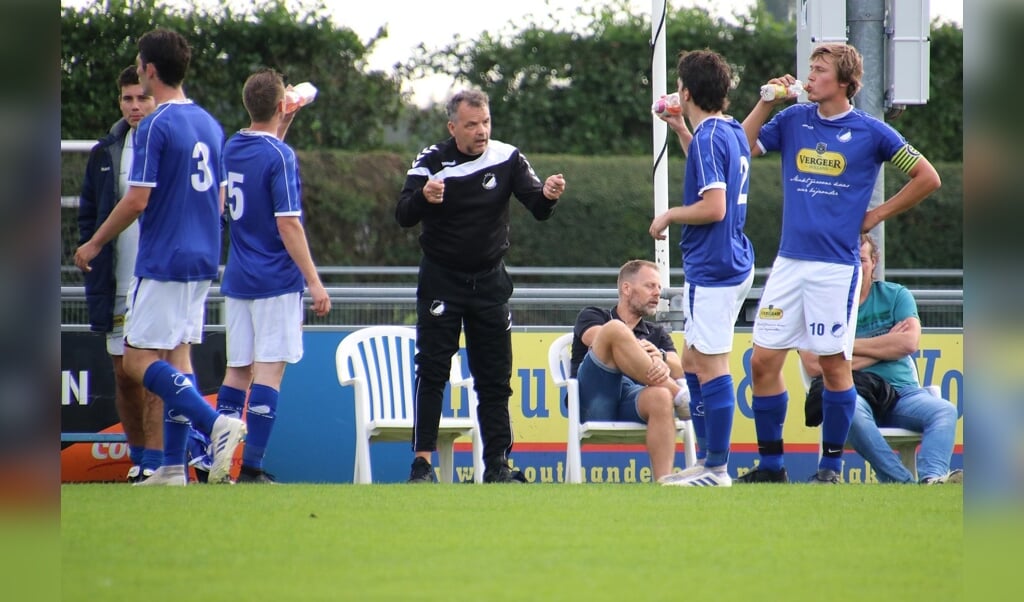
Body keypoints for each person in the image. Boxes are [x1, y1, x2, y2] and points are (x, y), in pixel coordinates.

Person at [738, 43, 941, 483]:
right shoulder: (793, 119)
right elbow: (743, 145)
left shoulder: (873, 132)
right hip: (790, 263)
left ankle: (829, 467)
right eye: (809, 70)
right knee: (762, 362)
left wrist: (876, 213)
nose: (809, 78)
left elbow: (928, 176)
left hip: (836, 268)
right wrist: (767, 100)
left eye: (819, 70)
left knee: (833, 364)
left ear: (844, 82)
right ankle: (772, 466)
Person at [73, 28, 246, 486]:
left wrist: (93, 243)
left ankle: (214, 428)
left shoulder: (156, 125)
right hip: (202, 259)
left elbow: (137, 200)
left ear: (150, 70)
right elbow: (221, 198)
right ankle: (172, 467)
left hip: (165, 259)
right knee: (178, 358)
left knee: (137, 361)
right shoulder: (209, 123)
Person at [396, 88, 566, 483]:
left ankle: (497, 466)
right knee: (433, 370)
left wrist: (548, 195)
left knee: (494, 378)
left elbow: (538, 208)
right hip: (442, 279)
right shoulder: (431, 161)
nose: (481, 131)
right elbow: (403, 214)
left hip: (490, 283)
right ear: (452, 127)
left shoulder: (507, 157)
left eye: (486, 122)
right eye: (472, 125)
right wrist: (423, 196)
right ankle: (422, 463)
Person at [215, 68, 331, 484]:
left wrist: (284, 118)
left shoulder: (232, 145)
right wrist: (314, 282)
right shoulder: (281, 156)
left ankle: (219, 463)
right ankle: (252, 468)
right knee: (268, 373)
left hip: (239, 278)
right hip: (275, 280)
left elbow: (262, 157)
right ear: (281, 104)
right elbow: (288, 224)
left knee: (237, 371)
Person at [648, 49, 755, 487]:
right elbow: (710, 168)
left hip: (713, 267)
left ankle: (716, 468)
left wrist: (670, 215)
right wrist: (679, 129)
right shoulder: (723, 129)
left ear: (686, 91)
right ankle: (708, 462)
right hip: (732, 259)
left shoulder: (712, 136)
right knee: (692, 359)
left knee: (711, 367)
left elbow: (714, 206)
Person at [799, 234, 961, 484]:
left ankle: (932, 479)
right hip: (853, 391)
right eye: (848, 260)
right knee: (846, 409)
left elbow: (908, 343)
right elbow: (813, 364)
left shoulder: (896, 295)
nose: (855, 266)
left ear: (874, 262)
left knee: (944, 411)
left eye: (861, 259)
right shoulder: (823, 304)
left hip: (903, 395)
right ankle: (901, 481)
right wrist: (885, 346)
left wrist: (841, 351)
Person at [76, 65, 161, 483]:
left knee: (153, 374)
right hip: (117, 283)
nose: (134, 106)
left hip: (159, 281)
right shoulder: (106, 152)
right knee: (123, 375)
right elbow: (88, 213)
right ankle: (141, 457)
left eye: (141, 97)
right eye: (127, 98)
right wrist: (93, 248)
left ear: (154, 97)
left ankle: (163, 463)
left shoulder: (169, 142)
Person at [570, 260, 689, 482]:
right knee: (614, 329)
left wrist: (660, 357)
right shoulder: (593, 315)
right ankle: (679, 395)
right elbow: (597, 338)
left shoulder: (656, 333)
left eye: (659, 288)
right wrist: (642, 352)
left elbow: (678, 366)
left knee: (661, 396)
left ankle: (664, 483)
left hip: (631, 400)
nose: (657, 294)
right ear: (626, 289)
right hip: (595, 401)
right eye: (650, 286)